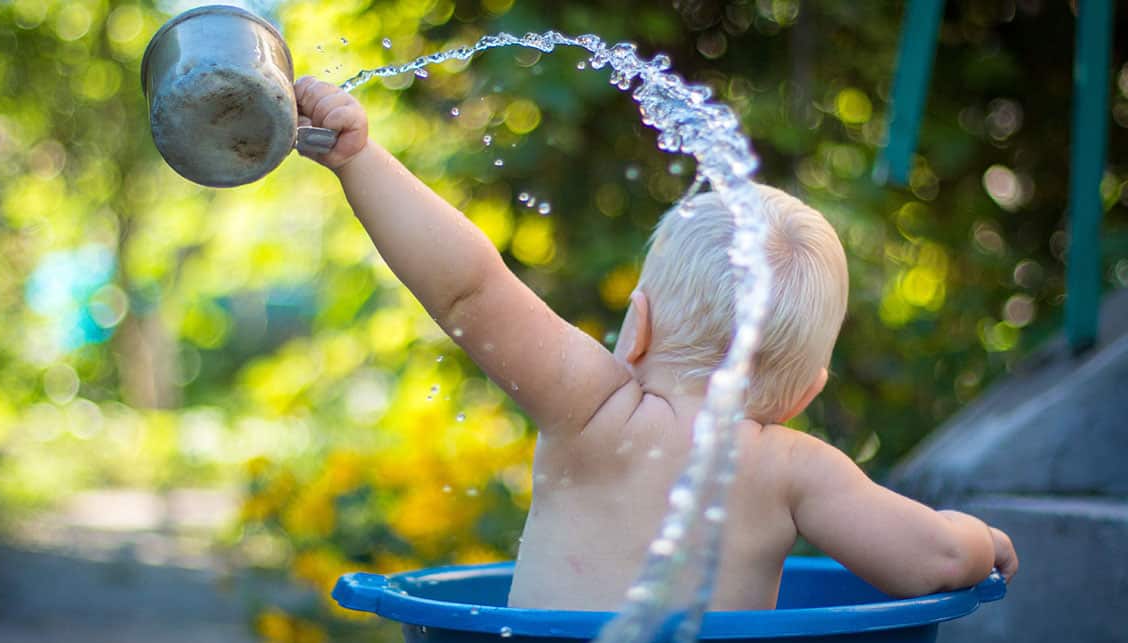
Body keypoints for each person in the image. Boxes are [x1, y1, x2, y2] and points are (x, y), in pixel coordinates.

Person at [293, 77, 1018, 611]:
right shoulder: (796, 470)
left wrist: (359, 157)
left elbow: (470, 290)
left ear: (634, 326)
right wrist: (983, 540)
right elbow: (935, 559)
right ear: (806, 392)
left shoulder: (594, 411)